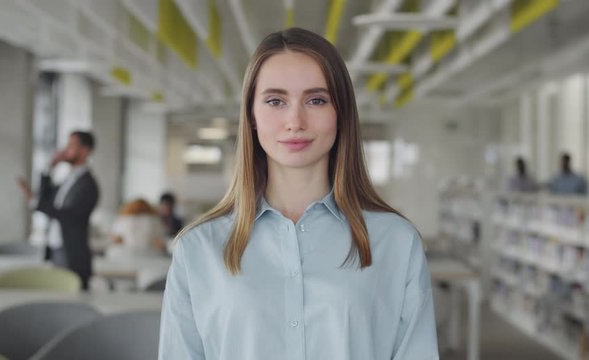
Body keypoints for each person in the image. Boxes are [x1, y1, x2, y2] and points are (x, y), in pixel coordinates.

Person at [159, 28, 438, 359]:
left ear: (341, 114)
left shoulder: (396, 242)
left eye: (316, 100)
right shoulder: (197, 250)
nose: (295, 120)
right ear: (251, 115)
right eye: (275, 101)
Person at [18, 131, 99, 290]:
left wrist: (35, 203)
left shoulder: (88, 186)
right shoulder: (69, 179)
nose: (65, 150)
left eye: (71, 146)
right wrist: (49, 168)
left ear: (84, 150)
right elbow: (45, 199)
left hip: (73, 254)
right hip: (55, 248)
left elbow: (67, 215)